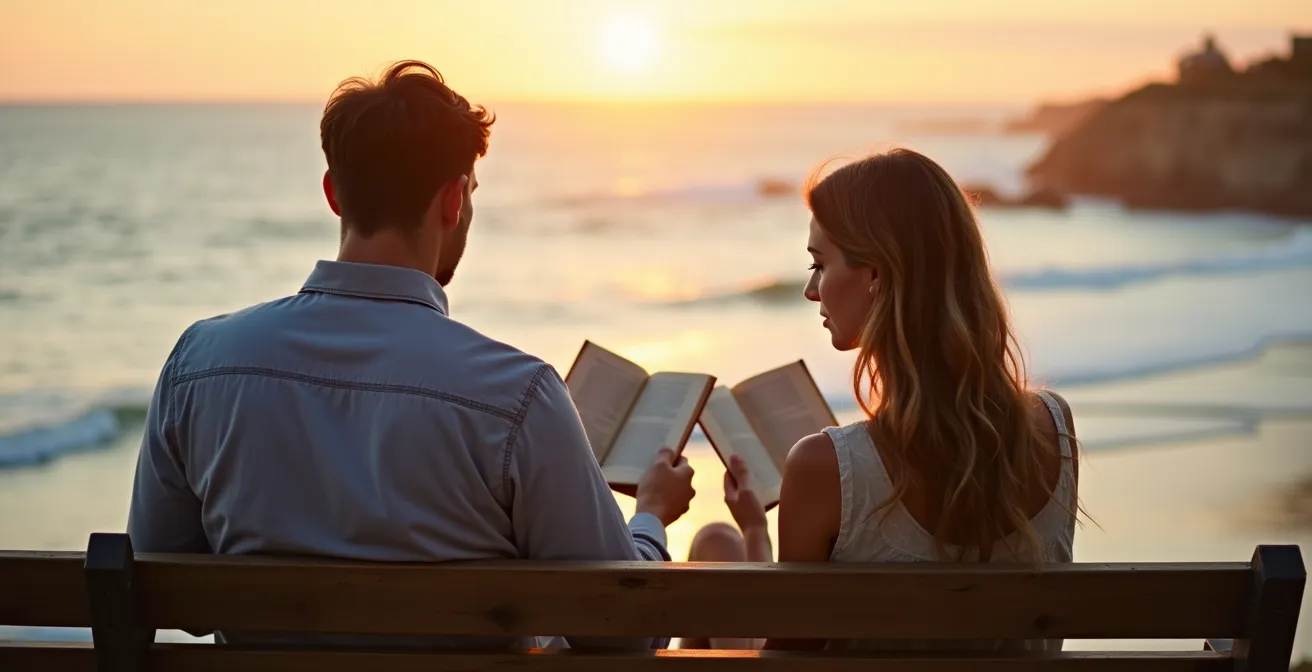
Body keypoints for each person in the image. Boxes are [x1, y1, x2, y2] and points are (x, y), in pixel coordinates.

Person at [125, 60, 695, 650]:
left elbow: (161, 582)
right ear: (453, 200)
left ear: (332, 193)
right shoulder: (516, 394)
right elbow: (620, 634)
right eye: (470, 190)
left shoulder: (199, 365)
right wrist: (649, 516)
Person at [684, 148, 1082, 652]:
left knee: (713, 547)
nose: (811, 290)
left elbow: (783, 662)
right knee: (721, 544)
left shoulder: (823, 467)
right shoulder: (1054, 424)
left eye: (819, 264)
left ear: (875, 274)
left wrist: (758, 533)